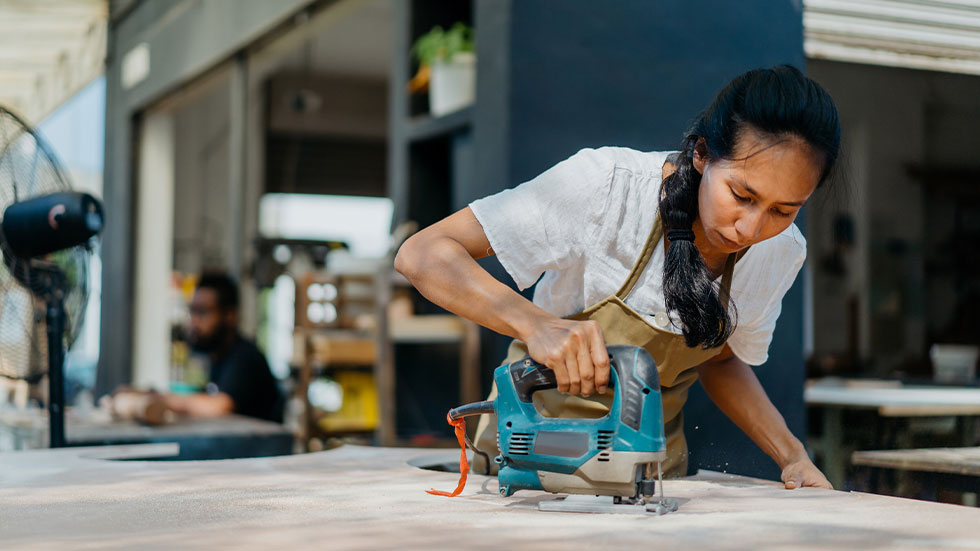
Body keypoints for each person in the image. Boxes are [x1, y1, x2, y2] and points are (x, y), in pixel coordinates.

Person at [394, 65, 839, 489]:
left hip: (651, 476)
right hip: (528, 464)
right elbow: (423, 254)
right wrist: (536, 324)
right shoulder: (609, 188)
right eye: (741, 195)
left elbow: (720, 360)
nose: (751, 228)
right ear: (702, 154)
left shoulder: (779, 251)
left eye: (784, 210)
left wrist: (793, 457)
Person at [163, 273, 284, 423]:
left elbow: (220, 405)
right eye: (192, 311)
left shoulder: (245, 357)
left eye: (202, 312)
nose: (193, 322)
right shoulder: (219, 357)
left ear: (229, 315)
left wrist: (161, 401)